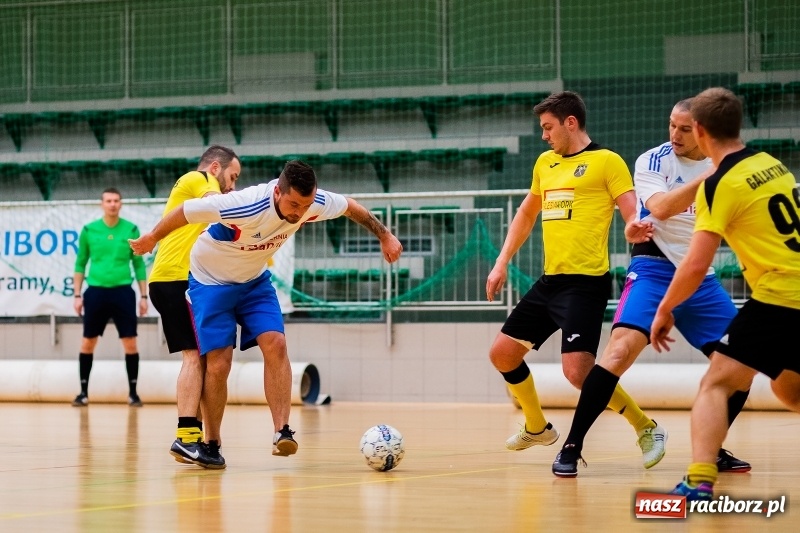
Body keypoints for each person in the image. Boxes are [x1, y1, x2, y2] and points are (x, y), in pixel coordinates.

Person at [130, 160, 403, 461]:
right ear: (277, 192)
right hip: (210, 281)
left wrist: (384, 235)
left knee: (276, 342)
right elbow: (185, 212)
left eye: (306, 205)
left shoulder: (313, 203)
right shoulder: (244, 204)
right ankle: (211, 443)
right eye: (294, 204)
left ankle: (282, 431)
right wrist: (152, 238)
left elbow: (353, 208)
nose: (299, 213)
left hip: (254, 282)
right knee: (219, 364)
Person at [550, 98, 751, 477]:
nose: (674, 134)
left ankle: (712, 448)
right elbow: (659, 208)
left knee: (742, 366)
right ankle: (572, 447)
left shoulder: (720, 166)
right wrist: (715, 177)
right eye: (671, 125)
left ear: (703, 131)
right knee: (617, 353)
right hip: (653, 267)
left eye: (685, 129)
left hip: (698, 276)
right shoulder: (655, 160)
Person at [485, 91, 655, 464]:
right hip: (551, 281)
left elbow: (632, 211)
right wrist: (501, 262)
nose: (544, 135)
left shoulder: (607, 162)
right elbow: (527, 215)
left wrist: (633, 227)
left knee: (578, 374)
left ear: (570, 123)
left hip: (586, 284)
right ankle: (537, 427)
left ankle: (645, 426)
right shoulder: (545, 163)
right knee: (502, 354)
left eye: (548, 127)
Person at [650, 87, 800, 501]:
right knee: (790, 390)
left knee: (715, 383)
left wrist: (665, 308)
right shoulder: (772, 164)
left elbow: (696, 264)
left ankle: (699, 481)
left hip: (779, 296)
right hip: (793, 289)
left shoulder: (719, 184)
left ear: (698, 130)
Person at [148, 145, 240, 469]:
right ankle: (186, 437)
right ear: (215, 168)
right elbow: (212, 203)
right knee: (193, 356)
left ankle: (197, 439)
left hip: (179, 280)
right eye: (232, 177)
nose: (233, 185)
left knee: (201, 358)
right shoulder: (198, 179)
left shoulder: (203, 186)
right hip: (176, 279)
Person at [72, 187, 148, 407]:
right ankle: (83, 393)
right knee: (88, 342)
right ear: (102, 204)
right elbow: (80, 263)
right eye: (108, 200)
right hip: (95, 291)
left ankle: (133, 393)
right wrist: (77, 295)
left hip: (123, 291)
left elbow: (138, 264)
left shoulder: (131, 229)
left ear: (121, 204)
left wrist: (144, 296)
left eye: (116, 200)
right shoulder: (89, 230)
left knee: (130, 342)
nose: (112, 204)